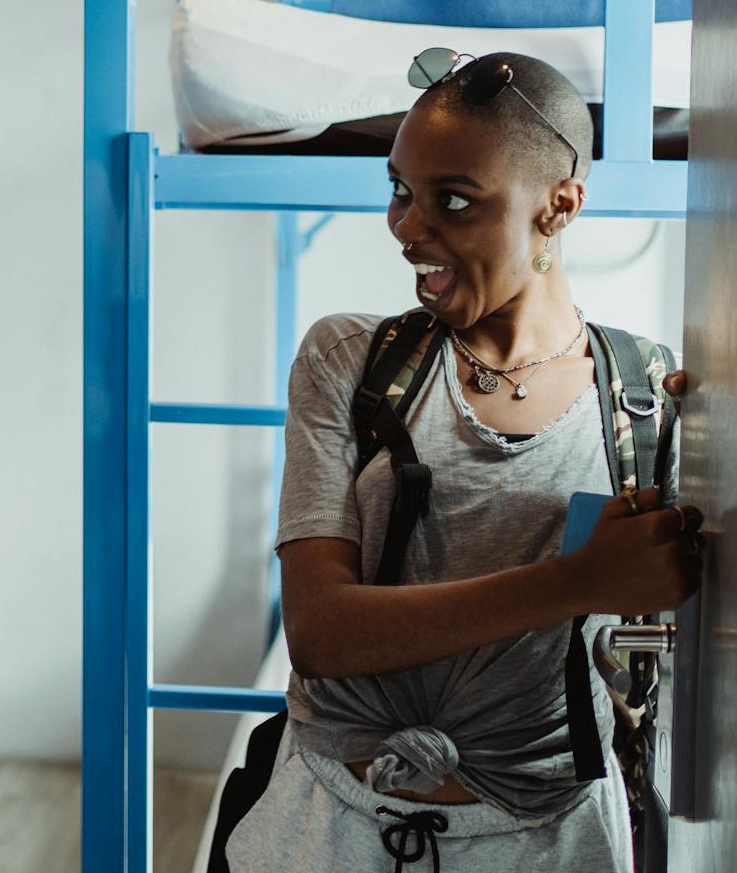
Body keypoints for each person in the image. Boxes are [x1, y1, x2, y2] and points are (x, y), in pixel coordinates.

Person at [226, 50, 704, 872]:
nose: (409, 227)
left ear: (559, 206)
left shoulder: (644, 402)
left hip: (545, 838)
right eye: (401, 192)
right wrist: (577, 583)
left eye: (454, 200)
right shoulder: (351, 362)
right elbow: (319, 632)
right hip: (332, 823)